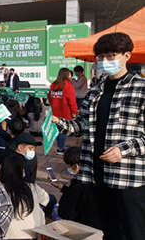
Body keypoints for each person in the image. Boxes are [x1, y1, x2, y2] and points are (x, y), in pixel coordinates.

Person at [52, 32, 145, 240]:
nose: (105, 61)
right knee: (109, 231)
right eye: (101, 57)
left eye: (112, 56)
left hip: (128, 177)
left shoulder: (141, 89)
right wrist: (59, 123)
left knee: (134, 232)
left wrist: (124, 150)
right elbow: (81, 126)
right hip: (96, 174)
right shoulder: (95, 91)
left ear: (127, 56)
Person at [48, 147, 101, 229]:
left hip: (84, 227)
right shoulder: (99, 178)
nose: (67, 168)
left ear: (76, 166)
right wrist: (61, 186)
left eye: (68, 165)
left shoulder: (77, 184)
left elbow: (65, 212)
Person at [0, 153, 49, 239]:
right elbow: (47, 199)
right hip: (33, 233)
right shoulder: (31, 186)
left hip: (8, 235)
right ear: (22, 171)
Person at [48, 68, 77, 155]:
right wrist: (74, 111)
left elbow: (49, 97)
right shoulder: (68, 85)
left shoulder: (54, 84)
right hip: (65, 111)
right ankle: (60, 148)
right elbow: (72, 100)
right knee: (63, 130)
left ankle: (60, 146)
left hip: (55, 111)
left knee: (58, 130)